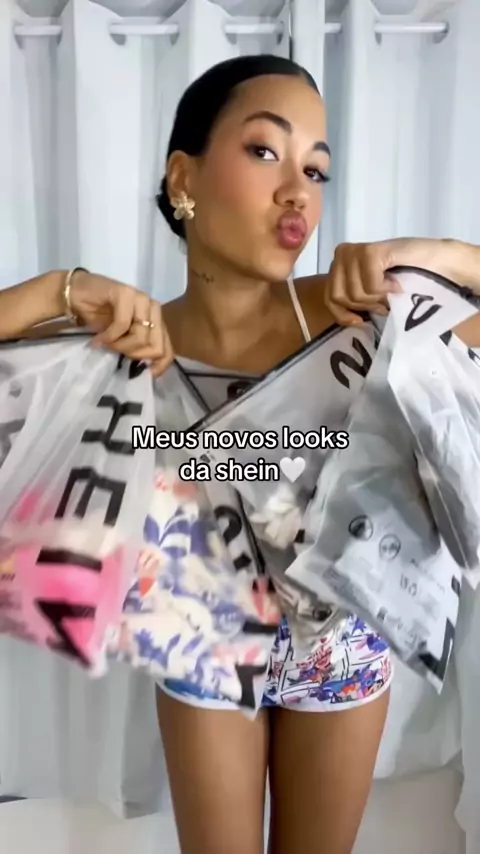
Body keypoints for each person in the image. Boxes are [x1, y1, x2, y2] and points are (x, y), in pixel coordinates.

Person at [1, 53, 480, 853]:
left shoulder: (365, 317)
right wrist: (62, 289)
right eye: (265, 151)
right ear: (183, 178)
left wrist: (438, 255)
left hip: (342, 643)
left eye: (316, 170)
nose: (299, 192)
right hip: (203, 638)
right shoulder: (124, 341)